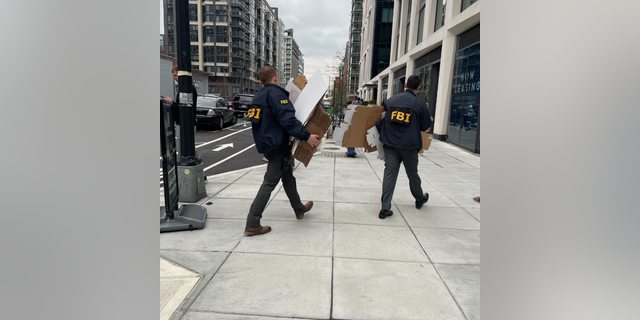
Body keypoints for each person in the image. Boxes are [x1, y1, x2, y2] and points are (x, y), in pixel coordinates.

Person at [244, 66, 321, 236]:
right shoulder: (276, 95)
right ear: (275, 79)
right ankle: (252, 222)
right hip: (277, 145)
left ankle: (299, 208)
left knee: (287, 177)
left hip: (267, 144)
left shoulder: (258, 96)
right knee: (270, 182)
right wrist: (306, 136)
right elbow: (288, 121)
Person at [377, 75, 432, 219]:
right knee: (412, 173)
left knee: (390, 173)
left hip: (390, 144)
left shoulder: (390, 101)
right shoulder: (420, 104)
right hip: (409, 145)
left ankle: (384, 208)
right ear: (418, 88)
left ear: (405, 84)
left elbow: (380, 115)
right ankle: (419, 198)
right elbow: (426, 126)